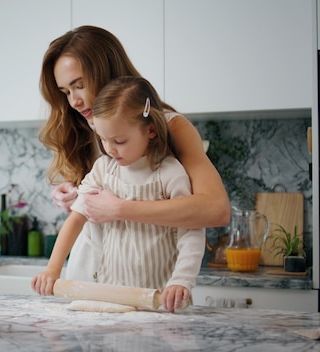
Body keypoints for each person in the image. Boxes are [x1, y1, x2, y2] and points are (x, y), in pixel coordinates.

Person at [36, 25, 229, 283]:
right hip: (88, 276)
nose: (73, 102)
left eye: (79, 85)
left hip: (150, 280)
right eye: (66, 92)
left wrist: (120, 209)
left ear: (105, 70)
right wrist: (71, 194)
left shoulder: (172, 127)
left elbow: (215, 209)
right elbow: (94, 204)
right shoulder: (86, 125)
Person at [32, 76, 205, 312]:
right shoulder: (104, 169)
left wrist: (181, 280)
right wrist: (53, 268)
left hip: (161, 300)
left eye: (119, 141)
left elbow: (191, 232)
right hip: (111, 297)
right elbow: (76, 219)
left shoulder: (170, 174)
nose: (110, 149)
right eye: (103, 139)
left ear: (151, 130)